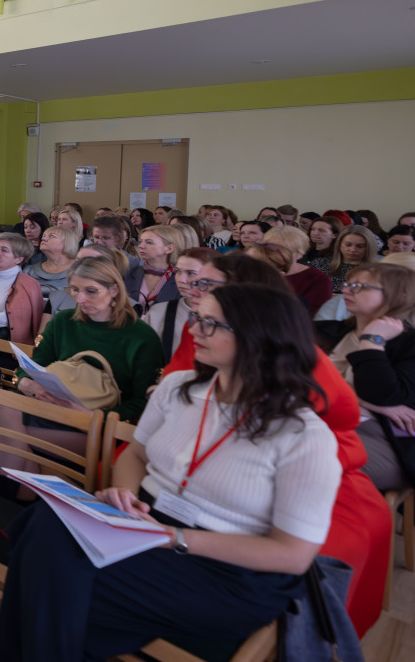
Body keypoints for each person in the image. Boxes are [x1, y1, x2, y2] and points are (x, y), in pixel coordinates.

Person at [0, 285, 341, 662]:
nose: (195, 330)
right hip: (148, 523)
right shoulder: (179, 388)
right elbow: (135, 454)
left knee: (48, 580)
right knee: (46, 524)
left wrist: (173, 538)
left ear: (260, 337)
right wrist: (123, 494)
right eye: (197, 318)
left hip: (229, 570)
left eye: (211, 323)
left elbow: (293, 554)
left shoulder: (304, 436)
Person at [162, 252, 392, 635]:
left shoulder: (292, 355)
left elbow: (333, 423)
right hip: (203, 448)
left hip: (295, 473)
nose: (193, 289)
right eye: (194, 281)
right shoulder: (201, 330)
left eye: (206, 283)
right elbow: (176, 381)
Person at [0, 258, 163, 491]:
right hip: (50, 408)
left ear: (114, 290)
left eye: (90, 291)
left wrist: (93, 415)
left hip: (98, 424)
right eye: (74, 290)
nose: (80, 299)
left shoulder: (141, 336)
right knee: (5, 408)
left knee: (6, 425)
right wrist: (25, 383)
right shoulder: (64, 321)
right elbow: (31, 365)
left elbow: (143, 404)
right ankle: (22, 496)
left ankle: (5, 498)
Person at [333, 262, 415, 495]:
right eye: (348, 284)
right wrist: (363, 401)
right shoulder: (327, 331)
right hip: (326, 424)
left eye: (360, 286)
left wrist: (372, 341)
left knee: (311, 464)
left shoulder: (410, 344)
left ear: (398, 296)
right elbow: (294, 380)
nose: (346, 290)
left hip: (387, 441)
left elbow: (384, 395)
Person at [123, 224, 182, 312]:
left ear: (169, 248)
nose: (141, 246)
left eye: (149, 242)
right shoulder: (128, 273)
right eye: (140, 241)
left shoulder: (181, 280)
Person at [25, 225, 79, 314]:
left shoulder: (80, 270)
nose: (43, 239)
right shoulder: (29, 270)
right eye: (44, 236)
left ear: (67, 242)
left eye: (51, 236)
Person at [327, 225, 379, 294]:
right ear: (339, 244)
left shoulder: (378, 271)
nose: (353, 250)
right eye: (348, 245)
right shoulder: (321, 264)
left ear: (369, 247)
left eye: (360, 246)